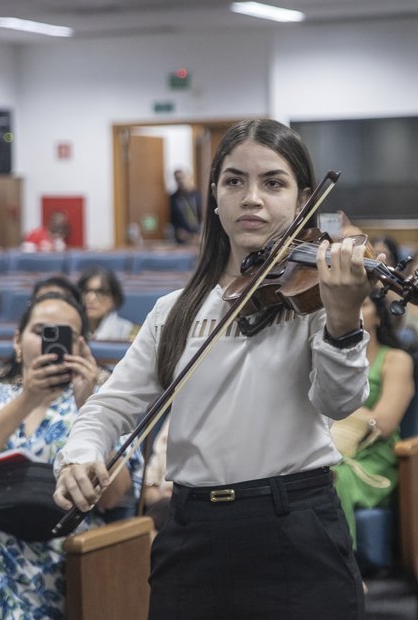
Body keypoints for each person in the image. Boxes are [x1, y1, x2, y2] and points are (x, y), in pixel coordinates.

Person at [53, 118, 372, 619]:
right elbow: (109, 408)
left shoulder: (316, 299)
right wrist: (80, 454)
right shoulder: (173, 311)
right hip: (192, 531)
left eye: (273, 183)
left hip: (295, 526)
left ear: (304, 199)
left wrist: (344, 318)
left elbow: (338, 402)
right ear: (214, 196)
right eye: (234, 181)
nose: (251, 198)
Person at [0, 292, 139, 620]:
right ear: (17, 341)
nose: (51, 343)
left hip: (65, 545)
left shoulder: (104, 399)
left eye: (64, 335)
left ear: (81, 346)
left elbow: (115, 498)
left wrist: (88, 406)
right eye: (41, 332)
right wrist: (28, 399)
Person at [332, 293, 414, 547]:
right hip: (332, 447)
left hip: (374, 458)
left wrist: (333, 409)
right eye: (349, 303)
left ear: (378, 316)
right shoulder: (329, 358)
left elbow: (383, 424)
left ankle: (347, 572)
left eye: (363, 305)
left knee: (331, 477)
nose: (355, 311)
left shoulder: (396, 359)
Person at [77, 266, 137, 340]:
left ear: (114, 300)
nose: (91, 298)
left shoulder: (130, 333)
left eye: (100, 292)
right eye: (85, 291)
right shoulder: (74, 331)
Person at [169, 168, 201, 244]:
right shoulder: (173, 198)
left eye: (182, 177)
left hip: (201, 236)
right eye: (177, 179)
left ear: (190, 177)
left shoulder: (200, 195)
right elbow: (172, 220)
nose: (180, 181)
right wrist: (181, 234)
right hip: (182, 239)